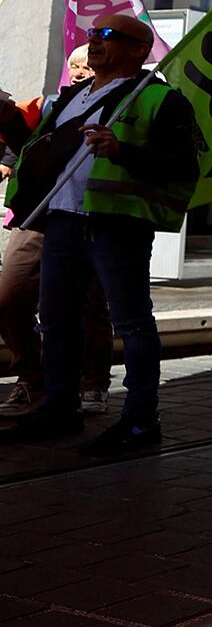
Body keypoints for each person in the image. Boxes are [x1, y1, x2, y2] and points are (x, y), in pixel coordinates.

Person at [3, 13, 198, 454]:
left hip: (117, 225)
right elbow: (38, 149)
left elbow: (184, 166)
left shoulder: (159, 99)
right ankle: (59, 408)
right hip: (63, 221)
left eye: (107, 36)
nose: (94, 41)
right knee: (56, 320)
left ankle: (141, 421)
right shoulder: (71, 97)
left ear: (136, 49)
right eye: (92, 34)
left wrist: (122, 150)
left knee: (131, 322)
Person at [0, 47, 116, 423]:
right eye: (75, 66)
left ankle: (92, 380)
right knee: (10, 296)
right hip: (41, 213)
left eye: (86, 64)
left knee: (90, 303)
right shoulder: (52, 103)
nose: (80, 71)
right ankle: (32, 377)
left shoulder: (127, 97)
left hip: (91, 214)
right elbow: (26, 146)